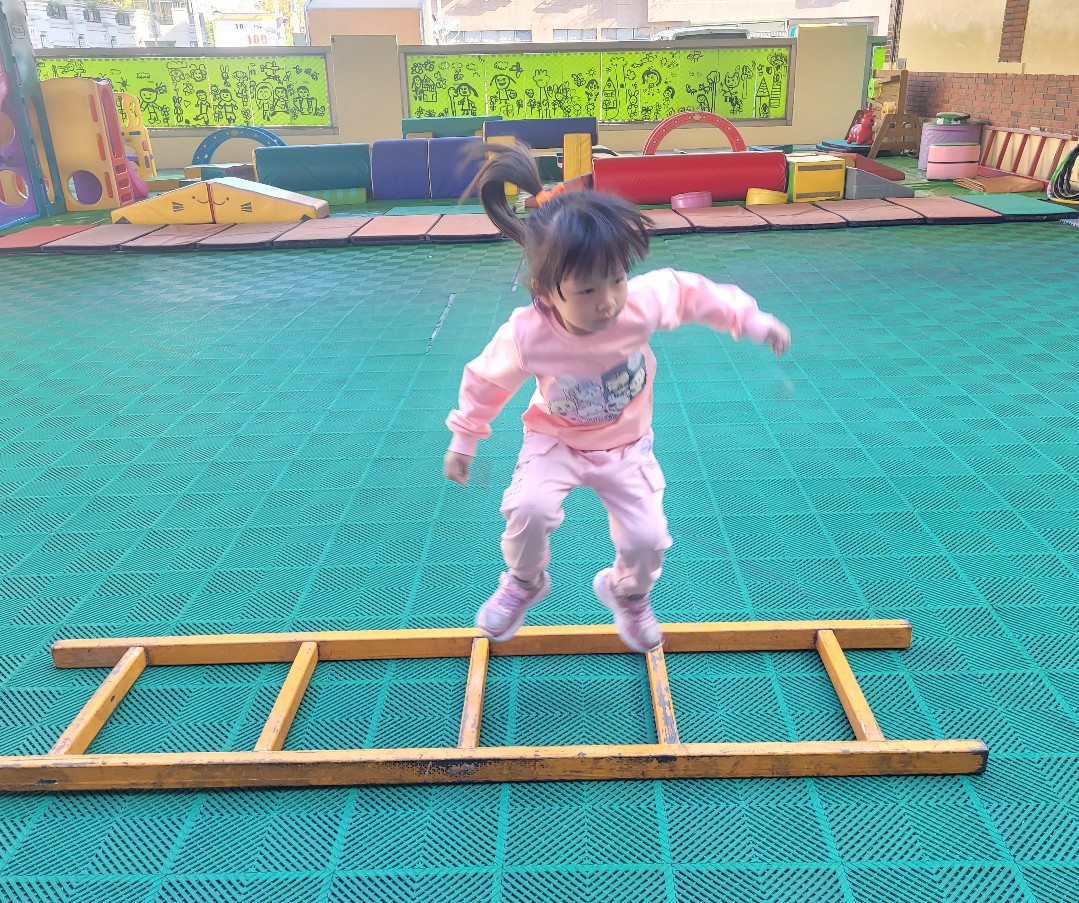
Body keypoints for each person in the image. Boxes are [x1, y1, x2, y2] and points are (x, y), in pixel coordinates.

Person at [443, 143, 791, 653]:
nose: (607, 302)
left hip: (627, 445)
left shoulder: (638, 306)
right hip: (556, 442)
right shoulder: (528, 333)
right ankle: (524, 582)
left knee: (647, 539)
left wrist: (753, 321)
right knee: (528, 510)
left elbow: (692, 294)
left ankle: (628, 593)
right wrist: (465, 439)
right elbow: (486, 381)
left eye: (616, 280)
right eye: (586, 291)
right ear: (546, 292)